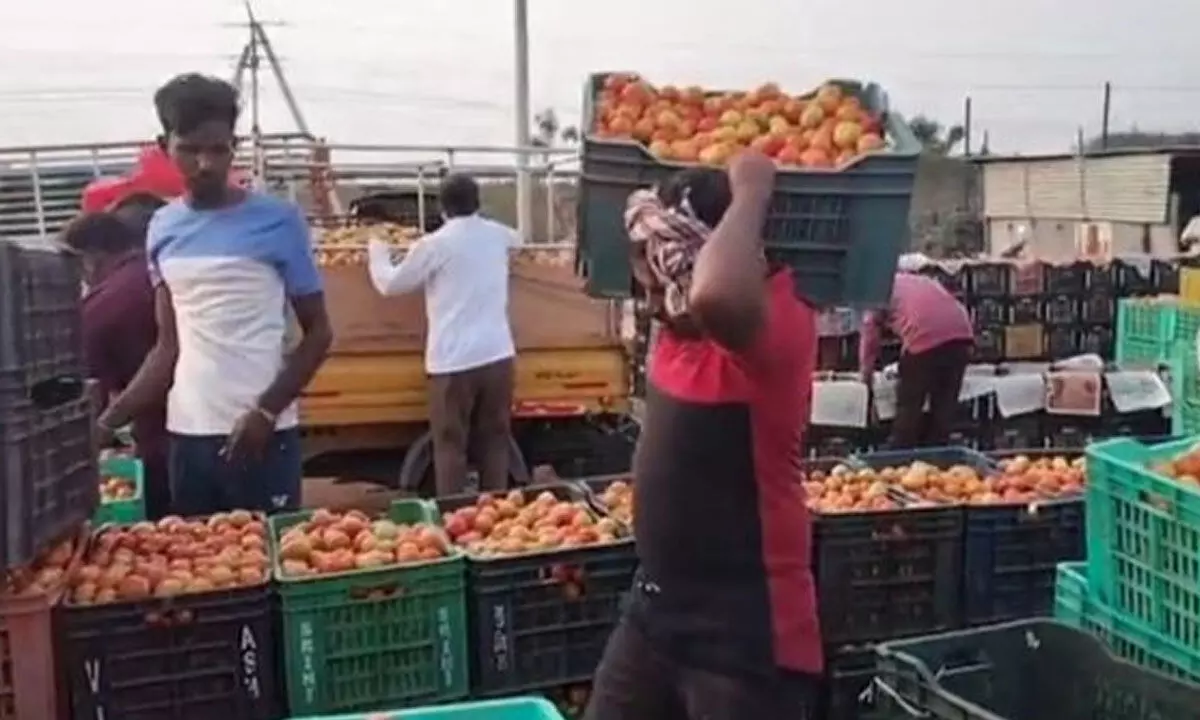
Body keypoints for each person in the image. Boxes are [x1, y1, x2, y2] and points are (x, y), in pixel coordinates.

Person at [584, 151, 824, 720]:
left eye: (663, 265)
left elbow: (717, 294)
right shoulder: (676, 326)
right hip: (655, 612)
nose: (648, 287)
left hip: (746, 633)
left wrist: (751, 192)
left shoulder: (773, 313)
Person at [97, 73, 333, 515]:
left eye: (218, 149)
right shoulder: (162, 229)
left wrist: (266, 412)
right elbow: (168, 348)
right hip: (188, 434)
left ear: (233, 147)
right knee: (201, 568)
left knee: (268, 566)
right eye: (189, 149)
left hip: (264, 435)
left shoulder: (279, 222)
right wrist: (107, 423)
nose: (205, 164)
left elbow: (319, 333)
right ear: (164, 144)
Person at [366, 173, 518, 497]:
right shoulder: (498, 235)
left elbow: (391, 285)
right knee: (495, 440)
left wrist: (377, 252)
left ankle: (453, 514)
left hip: (453, 362)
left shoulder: (434, 244)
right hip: (497, 356)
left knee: (450, 445)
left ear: (443, 208)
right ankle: (499, 514)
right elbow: (519, 241)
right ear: (478, 203)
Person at [63, 212, 171, 520]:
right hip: (211, 425)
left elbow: (91, 397)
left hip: (159, 443)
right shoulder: (163, 274)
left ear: (90, 260)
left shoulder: (99, 306)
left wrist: (97, 436)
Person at [858, 259, 975, 448]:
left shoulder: (878, 289)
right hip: (962, 333)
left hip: (925, 337)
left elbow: (870, 334)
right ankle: (938, 454)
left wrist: (866, 374)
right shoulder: (921, 280)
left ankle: (900, 454)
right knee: (944, 406)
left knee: (909, 403)